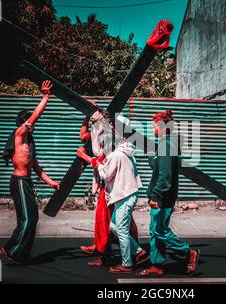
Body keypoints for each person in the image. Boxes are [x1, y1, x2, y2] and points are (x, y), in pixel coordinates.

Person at [0, 80, 60, 264]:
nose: (32, 125)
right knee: (28, 218)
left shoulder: (30, 144)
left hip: (26, 182)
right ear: (24, 123)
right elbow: (35, 115)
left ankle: (21, 251)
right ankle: (12, 249)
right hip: (18, 181)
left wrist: (51, 183)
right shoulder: (19, 134)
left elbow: (37, 169)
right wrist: (45, 96)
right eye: (29, 122)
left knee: (30, 218)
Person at [138, 109, 199, 277]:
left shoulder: (167, 144)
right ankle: (157, 265)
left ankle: (188, 252)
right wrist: (152, 155)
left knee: (160, 231)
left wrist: (156, 195)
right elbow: (158, 167)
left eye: (153, 127)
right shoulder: (167, 144)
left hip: (163, 197)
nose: (153, 130)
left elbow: (165, 176)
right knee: (154, 230)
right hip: (161, 195)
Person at [77, 130, 147, 273]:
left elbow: (106, 174)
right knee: (114, 226)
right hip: (127, 194)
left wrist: (96, 163)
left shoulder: (116, 155)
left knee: (119, 229)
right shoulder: (127, 152)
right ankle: (139, 251)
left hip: (124, 196)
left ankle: (127, 264)